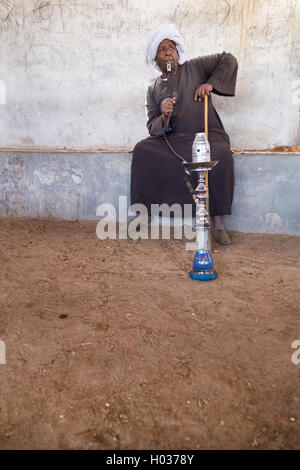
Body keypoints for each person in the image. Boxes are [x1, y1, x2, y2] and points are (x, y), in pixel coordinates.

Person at [130, 24, 238, 245]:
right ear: (155, 59)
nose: (168, 52)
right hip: (173, 140)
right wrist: (164, 116)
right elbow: (152, 126)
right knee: (142, 149)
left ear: (178, 52)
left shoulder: (195, 67)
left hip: (206, 135)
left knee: (221, 154)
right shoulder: (153, 89)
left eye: (171, 47)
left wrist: (210, 83)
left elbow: (228, 59)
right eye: (162, 49)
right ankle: (144, 211)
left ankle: (217, 222)